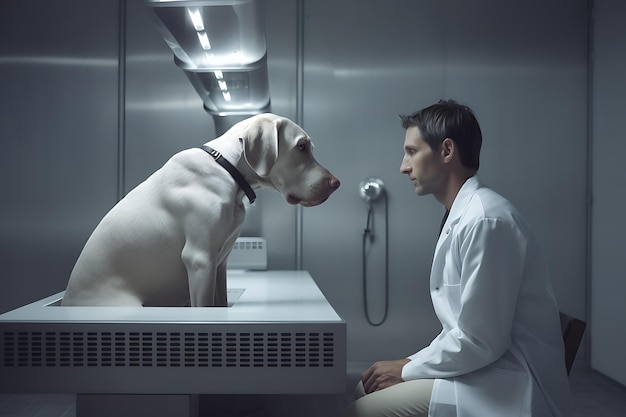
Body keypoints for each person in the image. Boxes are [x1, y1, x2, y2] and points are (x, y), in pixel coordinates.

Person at [343, 100, 573, 417]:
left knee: (361, 411)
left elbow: (482, 341)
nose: (403, 167)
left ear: (447, 151)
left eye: (412, 151)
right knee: (364, 387)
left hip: (507, 384)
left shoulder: (486, 220)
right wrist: (407, 365)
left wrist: (406, 369)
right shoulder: (463, 215)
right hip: (483, 368)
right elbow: (463, 332)